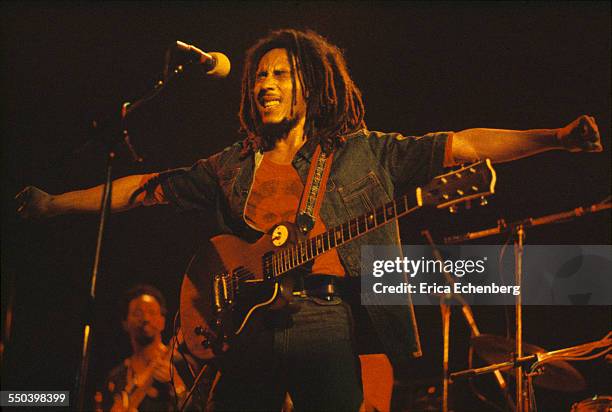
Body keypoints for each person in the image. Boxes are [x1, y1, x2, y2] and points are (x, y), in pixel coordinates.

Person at [17, 29, 601, 411]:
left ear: (311, 86)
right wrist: (54, 204)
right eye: (259, 77)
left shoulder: (363, 154)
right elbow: (144, 189)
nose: (265, 84)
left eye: (280, 75)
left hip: (324, 320)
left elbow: (463, 144)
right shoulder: (228, 168)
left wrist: (555, 139)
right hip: (240, 328)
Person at [102, 284, 188, 412]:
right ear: (125, 322)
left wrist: (178, 386)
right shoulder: (116, 377)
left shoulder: (183, 365)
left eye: (152, 312)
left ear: (162, 321)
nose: (145, 319)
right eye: (138, 313)